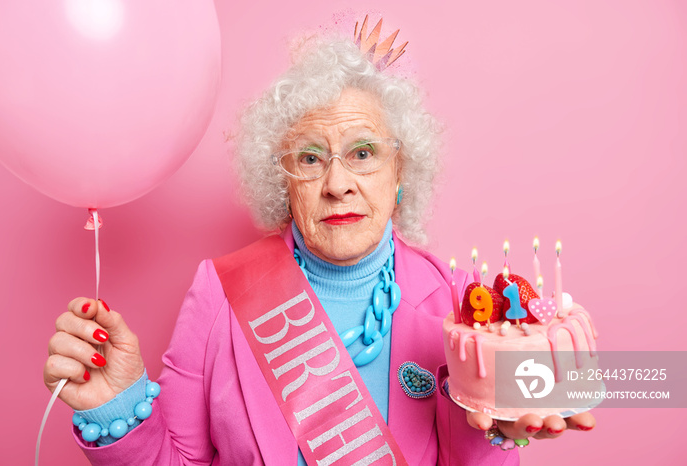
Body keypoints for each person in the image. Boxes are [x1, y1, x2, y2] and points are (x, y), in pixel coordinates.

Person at [44, 21, 595, 466]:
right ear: (282, 180)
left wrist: (499, 427)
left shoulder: (454, 303)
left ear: (400, 170)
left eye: (362, 152)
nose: (337, 184)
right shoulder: (220, 293)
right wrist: (116, 407)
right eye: (310, 158)